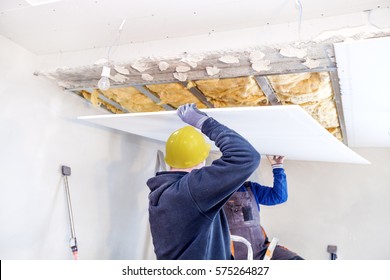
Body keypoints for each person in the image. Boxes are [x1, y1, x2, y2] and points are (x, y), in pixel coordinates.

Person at [146, 103, 260, 260]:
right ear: (202, 158)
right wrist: (203, 122)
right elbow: (246, 156)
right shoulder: (190, 191)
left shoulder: (163, 191)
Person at [223, 155, 304, 260]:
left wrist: (277, 166)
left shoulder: (251, 188)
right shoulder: (214, 192)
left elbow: (279, 196)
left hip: (262, 252)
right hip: (232, 255)